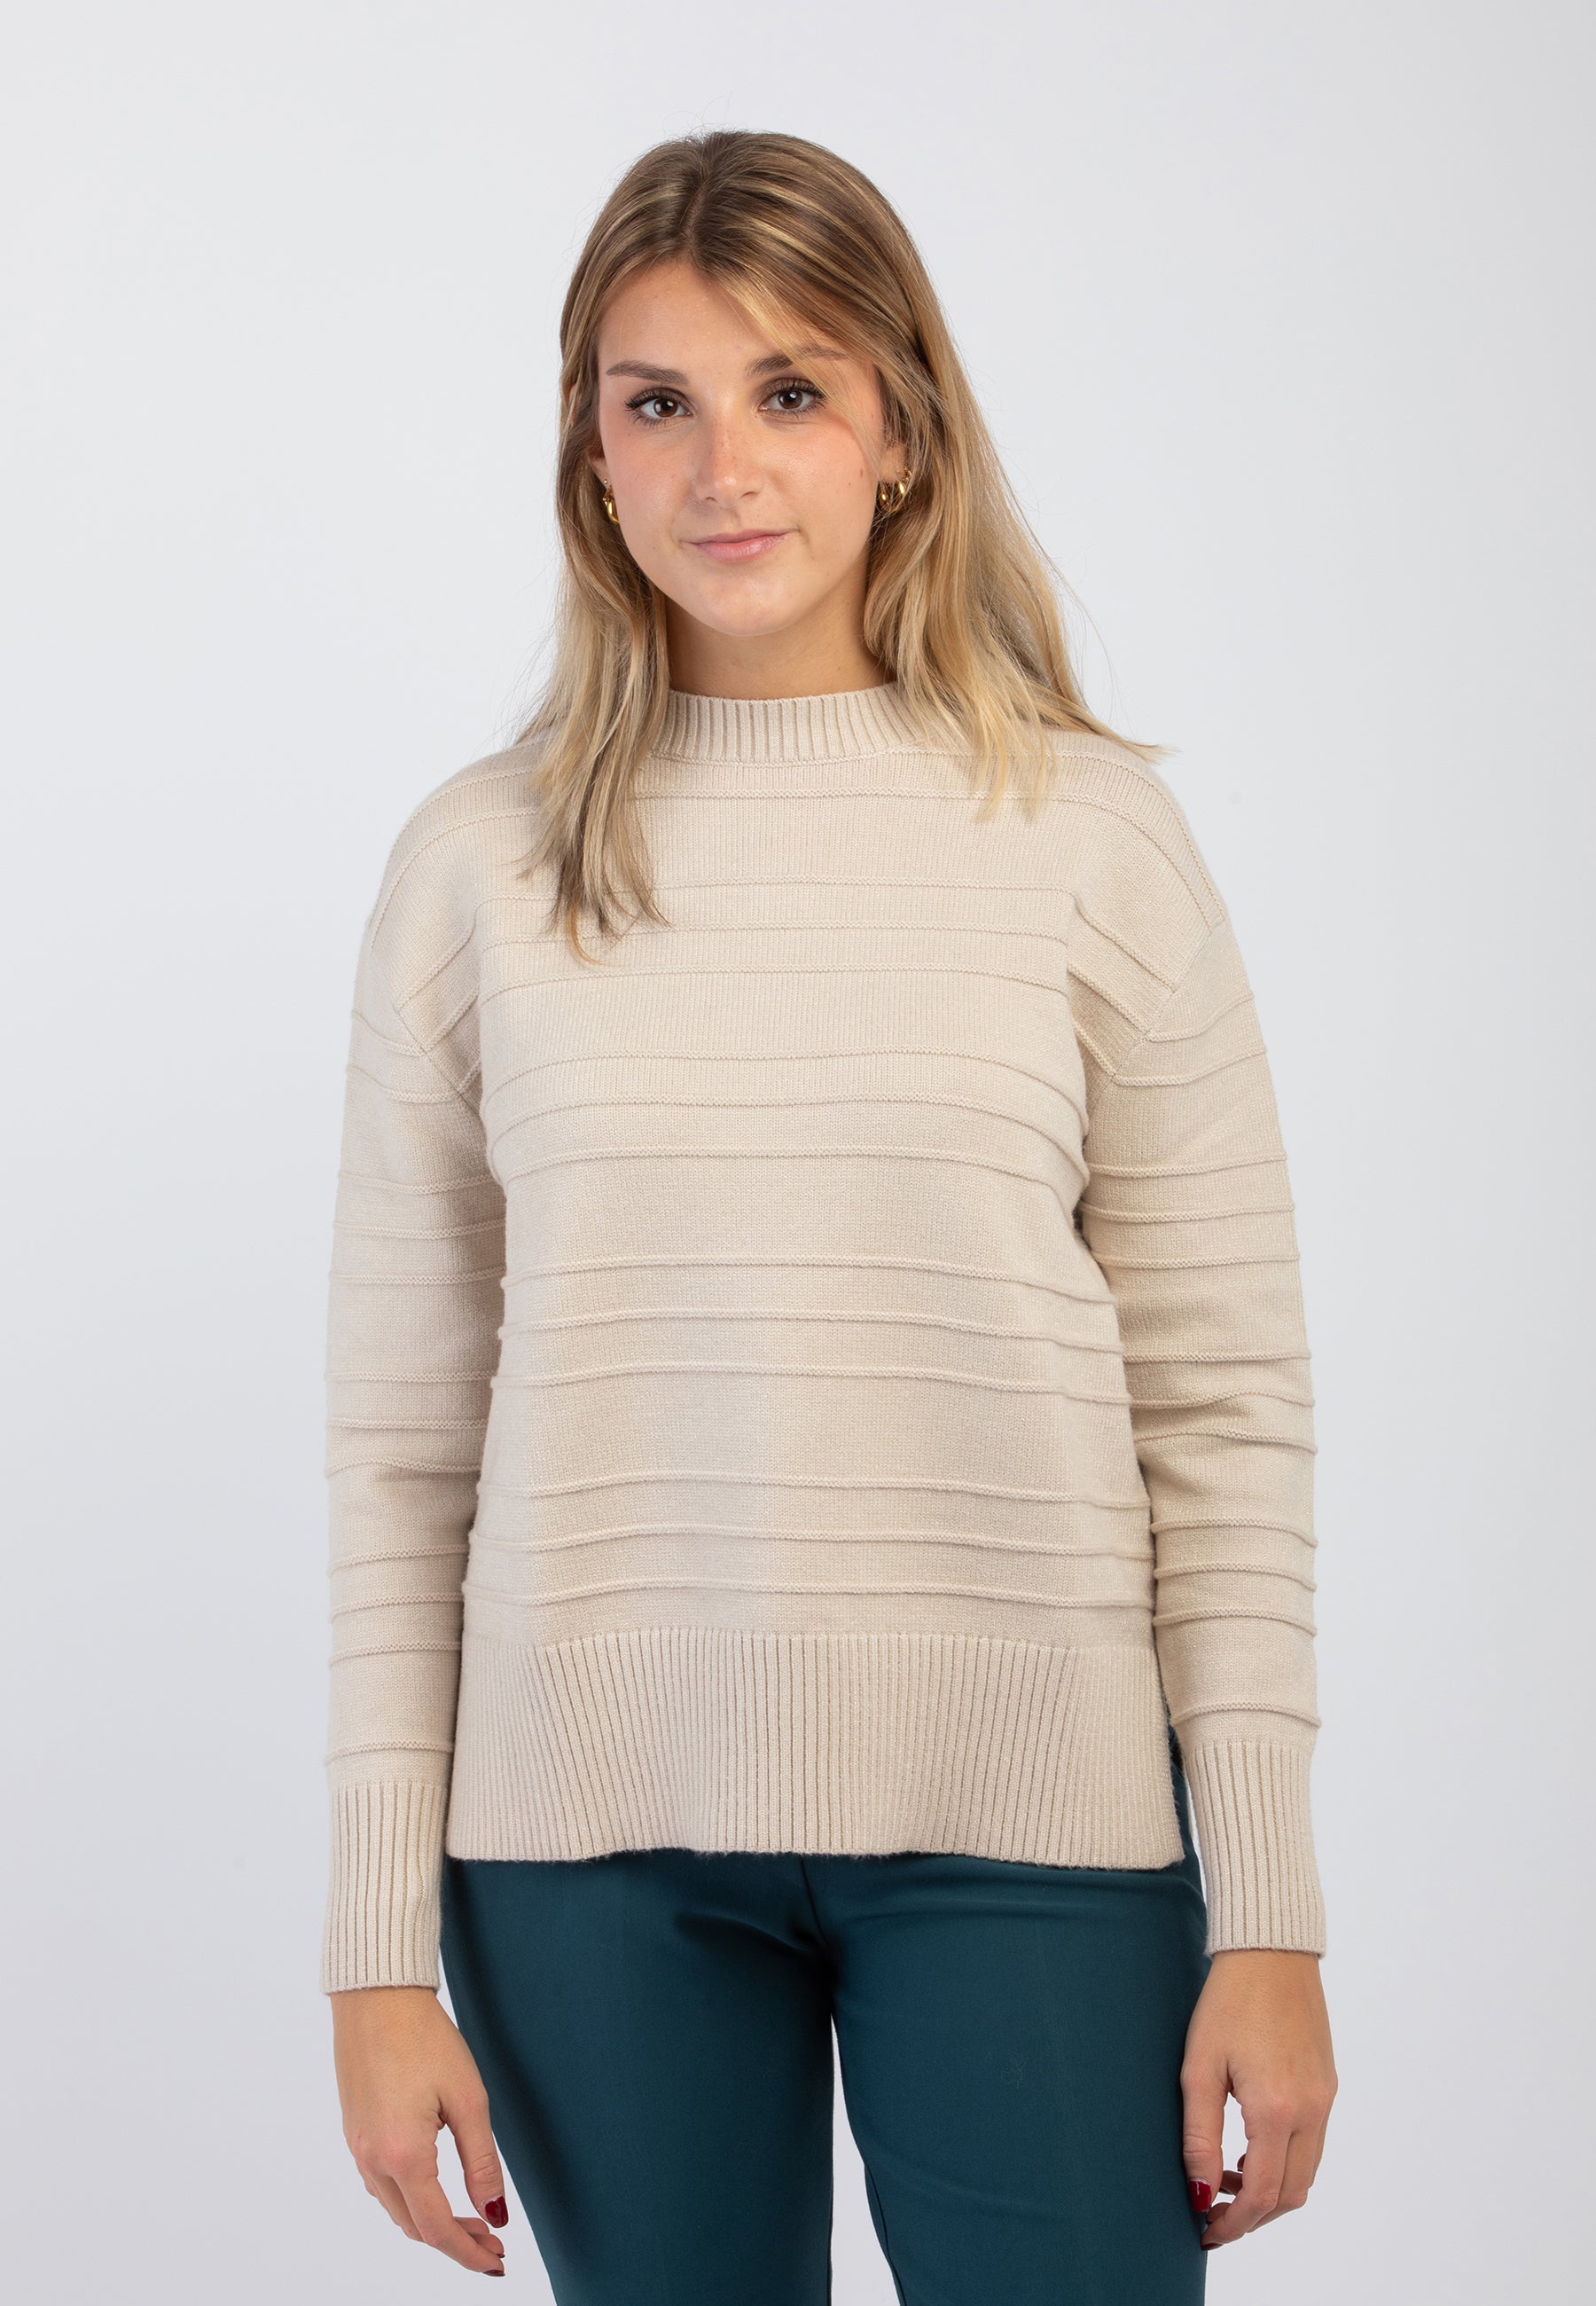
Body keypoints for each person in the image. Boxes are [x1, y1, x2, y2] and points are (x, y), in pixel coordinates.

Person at [322, 129, 1337, 2303]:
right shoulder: (478, 870)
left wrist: (1271, 1910)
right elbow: (404, 1451)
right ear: (592, 452)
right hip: (583, 1852)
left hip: (1036, 1825)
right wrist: (371, 1955)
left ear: (902, 431)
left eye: (790, 390)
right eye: (656, 400)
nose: (723, 466)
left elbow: (1224, 1404)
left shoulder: (1090, 840)